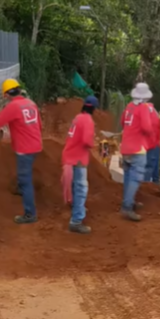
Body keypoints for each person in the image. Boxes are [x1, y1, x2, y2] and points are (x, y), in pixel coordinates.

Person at [0, 79, 43, 225]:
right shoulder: (30, 103)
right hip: (36, 145)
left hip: (25, 148)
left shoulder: (13, 106)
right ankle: (23, 187)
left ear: (7, 94)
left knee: (25, 178)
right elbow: (39, 125)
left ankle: (30, 214)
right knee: (25, 173)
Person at [63, 96, 98, 234]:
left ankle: (77, 208)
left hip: (69, 154)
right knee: (81, 188)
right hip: (79, 157)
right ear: (94, 108)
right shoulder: (88, 120)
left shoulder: (77, 117)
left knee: (74, 185)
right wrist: (93, 143)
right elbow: (86, 141)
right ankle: (76, 221)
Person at [119, 82, 154, 222]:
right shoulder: (143, 108)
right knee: (136, 177)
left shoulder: (129, 106)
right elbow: (146, 127)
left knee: (128, 176)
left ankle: (128, 201)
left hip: (126, 146)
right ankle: (127, 206)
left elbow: (122, 122)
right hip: (137, 148)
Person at [143, 99, 160, 186]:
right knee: (154, 166)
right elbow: (159, 126)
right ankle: (156, 185)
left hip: (150, 143)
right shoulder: (154, 111)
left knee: (148, 166)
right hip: (156, 143)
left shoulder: (145, 110)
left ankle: (146, 188)